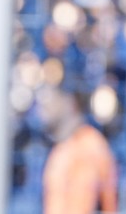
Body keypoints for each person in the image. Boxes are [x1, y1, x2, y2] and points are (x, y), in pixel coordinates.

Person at [39, 83, 118, 214]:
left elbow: (109, 204)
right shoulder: (61, 147)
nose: (45, 105)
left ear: (71, 102)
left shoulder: (90, 146)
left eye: (53, 96)